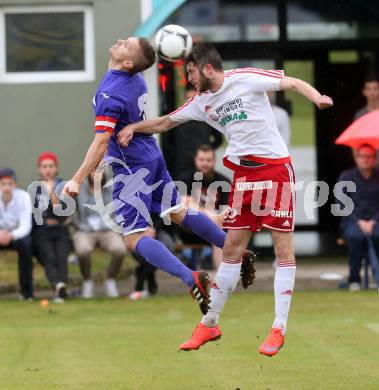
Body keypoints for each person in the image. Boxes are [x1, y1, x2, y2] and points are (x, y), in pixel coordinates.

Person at [118, 43, 333, 356]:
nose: (188, 79)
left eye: (190, 72)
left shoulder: (244, 78)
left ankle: (278, 328)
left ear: (206, 68)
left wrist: (318, 98)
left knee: (282, 248)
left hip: (275, 170)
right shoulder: (202, 102)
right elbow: (165, 122)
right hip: (244, 176)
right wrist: (134, 127)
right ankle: (210, 323)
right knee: (231, 248)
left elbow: (293, 82)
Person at [62, 37, 255, 315]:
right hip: (151, 155)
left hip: (132, 167)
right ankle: (234, 249)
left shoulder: (111, 94)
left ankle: (192, 278)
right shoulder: (135, 78)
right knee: (177, 210)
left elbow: (101, 143)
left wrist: (77, 179)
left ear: (128, 62)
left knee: (133, 237)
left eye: (126, 44)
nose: (119, 41)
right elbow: (143, 61)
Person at [73, 169, 126, 298]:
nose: (97, 175)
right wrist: (77, 225)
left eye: (100, 171)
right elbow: (69, 211)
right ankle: (87, 280)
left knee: (120, 250)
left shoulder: (112, 188)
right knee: (82, 250)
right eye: (93, 172)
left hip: (107, 230)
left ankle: (110, 279)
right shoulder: (79, 188)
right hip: (85, 231)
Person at [179, 144, 230, 269]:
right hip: (189, 230)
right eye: (201, 160)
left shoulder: (224, 181)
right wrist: (209, 214)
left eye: (208, 160)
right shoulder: (185, 179)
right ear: (195, 160)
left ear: (214, 161)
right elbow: (181, 206)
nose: (205, 163)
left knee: (221, 223)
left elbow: (226, 209)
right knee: (184, 200)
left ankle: (222, 274)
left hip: (217, 227)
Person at [337, 144, 379, 292]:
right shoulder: (346, 177)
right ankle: (354, 279)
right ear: (356, 157)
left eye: (370, 156)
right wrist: (360, 222)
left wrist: (373, 221)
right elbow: (342, 206)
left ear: (375, 159)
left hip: (376, 221)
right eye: (362, 156)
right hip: (353, 221)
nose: (366, 160)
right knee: (356, 238)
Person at [32, 152, 71, 303]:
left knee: (61, 256)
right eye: (44, 166)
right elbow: (35, 217)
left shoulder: (63, 187)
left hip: (61, 231)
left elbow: (63, 216)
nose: (47, 170)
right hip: (42, 231)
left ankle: (60, 288)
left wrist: (52, 194)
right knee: (48, 256)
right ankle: (58, 285)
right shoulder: (34, 188)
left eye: (50, 166)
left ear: (56, 168)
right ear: (39, 170)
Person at [168, 85, 223, 179]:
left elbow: (219, 139)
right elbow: (168, 142)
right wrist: (177, 155)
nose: (191, 103)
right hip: (182, 165)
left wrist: (206, 151)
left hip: (202, 166)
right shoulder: (177, 118)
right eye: (189, 100)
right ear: (184, 99)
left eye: (193, 100)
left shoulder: (207, 118)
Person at [0, 168, 33, 300]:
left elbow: (26, 226)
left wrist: (11, 235)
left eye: (9, 184)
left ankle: (26, 293)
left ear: (15, 184)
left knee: (26, 246)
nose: (6, 187)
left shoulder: (24, 197)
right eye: (3, 184)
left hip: (16, 236)